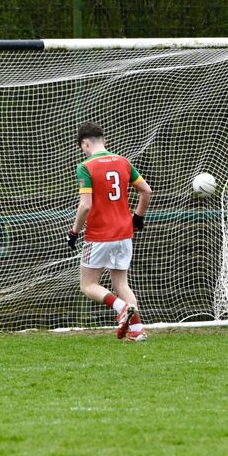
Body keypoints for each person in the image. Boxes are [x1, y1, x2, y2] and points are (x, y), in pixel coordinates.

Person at [67, 121, 153, 342]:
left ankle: (121, 307)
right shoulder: (123, 162)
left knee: (88, 285)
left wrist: (74, 231)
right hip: (124, 233)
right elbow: (146, 191)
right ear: (104, 141)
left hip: (99, 235)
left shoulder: (86, 166)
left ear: (85, 144)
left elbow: (85, 205)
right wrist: (139, 218)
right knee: (121, 283)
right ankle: (138, 331)